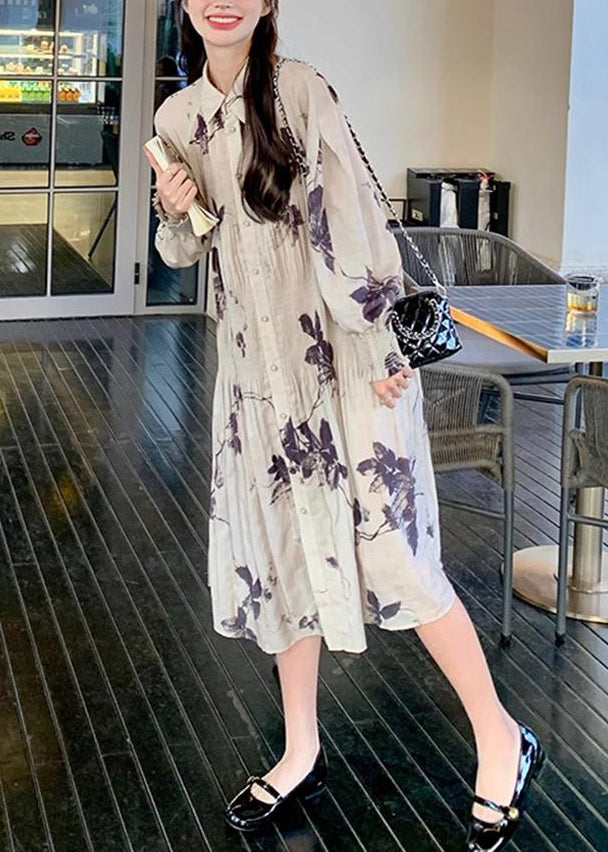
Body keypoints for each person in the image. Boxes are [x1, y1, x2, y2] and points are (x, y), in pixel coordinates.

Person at [142, 2, 545, 848]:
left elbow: (354, 223)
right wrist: (174, 210)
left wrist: (385, 349)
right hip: (257, 382)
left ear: (267, 2)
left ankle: (501, 736)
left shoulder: (301, 91)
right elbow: (185, 251)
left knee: (401, 558)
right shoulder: (176, 118)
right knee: (284, 557)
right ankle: (300, 750)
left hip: (347, 368)